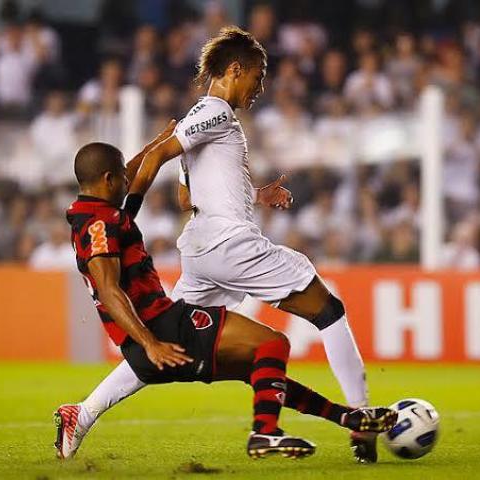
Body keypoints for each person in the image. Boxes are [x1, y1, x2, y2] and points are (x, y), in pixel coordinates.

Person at [54, 133, 397, 460]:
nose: (130, 181)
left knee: (260, 368)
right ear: (108, 180)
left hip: (159, 328)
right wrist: (149, 343)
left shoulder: (103, 213)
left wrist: (157, 145)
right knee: (272, 345)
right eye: (122, 178)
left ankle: (348, 420)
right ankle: (265, 432)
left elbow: (135, 179)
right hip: (162, 330)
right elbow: (109, 291)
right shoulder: (99, 226)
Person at [153, 26, 376, 463]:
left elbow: (186, 197)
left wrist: (255, 195)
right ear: (236, 70)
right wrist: (130, 200)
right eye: (258, 75)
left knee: (169, 341)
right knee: (327, 310)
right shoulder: (215, 114)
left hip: (199, 249)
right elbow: (161, 157)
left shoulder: (198, 117)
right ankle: (362, 420)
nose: (261, 86)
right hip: (228, 245)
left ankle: (82, 413)